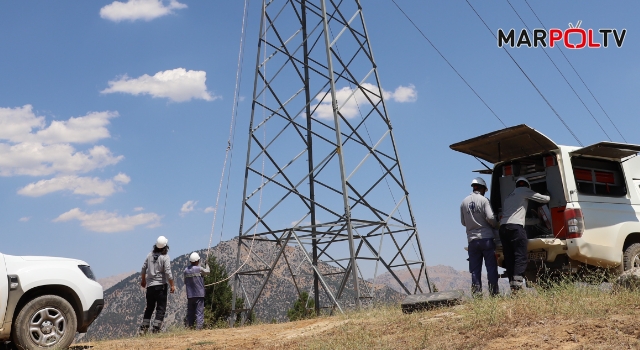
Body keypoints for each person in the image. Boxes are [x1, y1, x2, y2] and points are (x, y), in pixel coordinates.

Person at [499, 177, 550, 292]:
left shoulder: (509, 196)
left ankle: (513, 286)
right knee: (520, 256)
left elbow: (517, 217)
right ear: (527, 185)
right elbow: (545, 199)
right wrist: (550, 195)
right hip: (515, 229)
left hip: (504, 228)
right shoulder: (523, 190)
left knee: (509, 257)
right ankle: (517, 286)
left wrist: (537, 221)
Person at [460, 177, 500, 297]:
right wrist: (497, 225)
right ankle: (494, 294)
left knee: (475, 270)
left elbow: (463, 222)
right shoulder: (484, 200)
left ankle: (477, 295)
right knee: (491, 268)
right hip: (486, 239)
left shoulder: (464, 202)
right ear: (483, 188)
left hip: (472, 241)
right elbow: (491, 218)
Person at [139, 236, 175, 334]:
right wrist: (172, 285)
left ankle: (144, 329)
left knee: (149, 308)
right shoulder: (165, 257)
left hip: (150, 286)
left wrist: (143, 280)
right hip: (161, 286)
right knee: (160, 308)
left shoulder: (149, 255)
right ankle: (155, 329)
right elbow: (168, 272)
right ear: (165, 246)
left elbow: (143, 269)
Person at [184, 252, 210, 330]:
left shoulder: (186, 270)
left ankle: (189, 327)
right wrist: (207, 264)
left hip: (190, 295)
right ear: (197, 261)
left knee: (190, 313)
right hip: (199, 294)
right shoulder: (199, 268)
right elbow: (208, 272)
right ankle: (199, 328)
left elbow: (185, 282)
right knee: (199, 313)